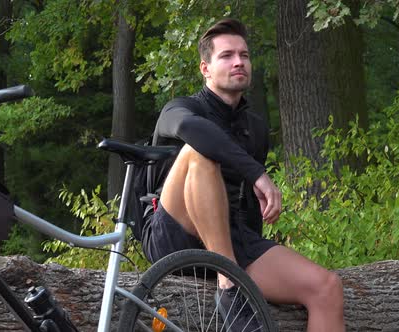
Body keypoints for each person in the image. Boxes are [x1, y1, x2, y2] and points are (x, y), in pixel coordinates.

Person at [141, 18, 345, 331]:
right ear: (205, 69)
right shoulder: (180, 109)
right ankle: (230, 286)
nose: (239, 62)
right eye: (226, 56)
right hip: (174, 237)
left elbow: (248, 209)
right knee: (200, 151)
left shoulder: (256, 128)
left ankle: (231, 273)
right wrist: (257, 174)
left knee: (326, 287)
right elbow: (189, 130)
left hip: (236, 240)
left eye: (244, 55)